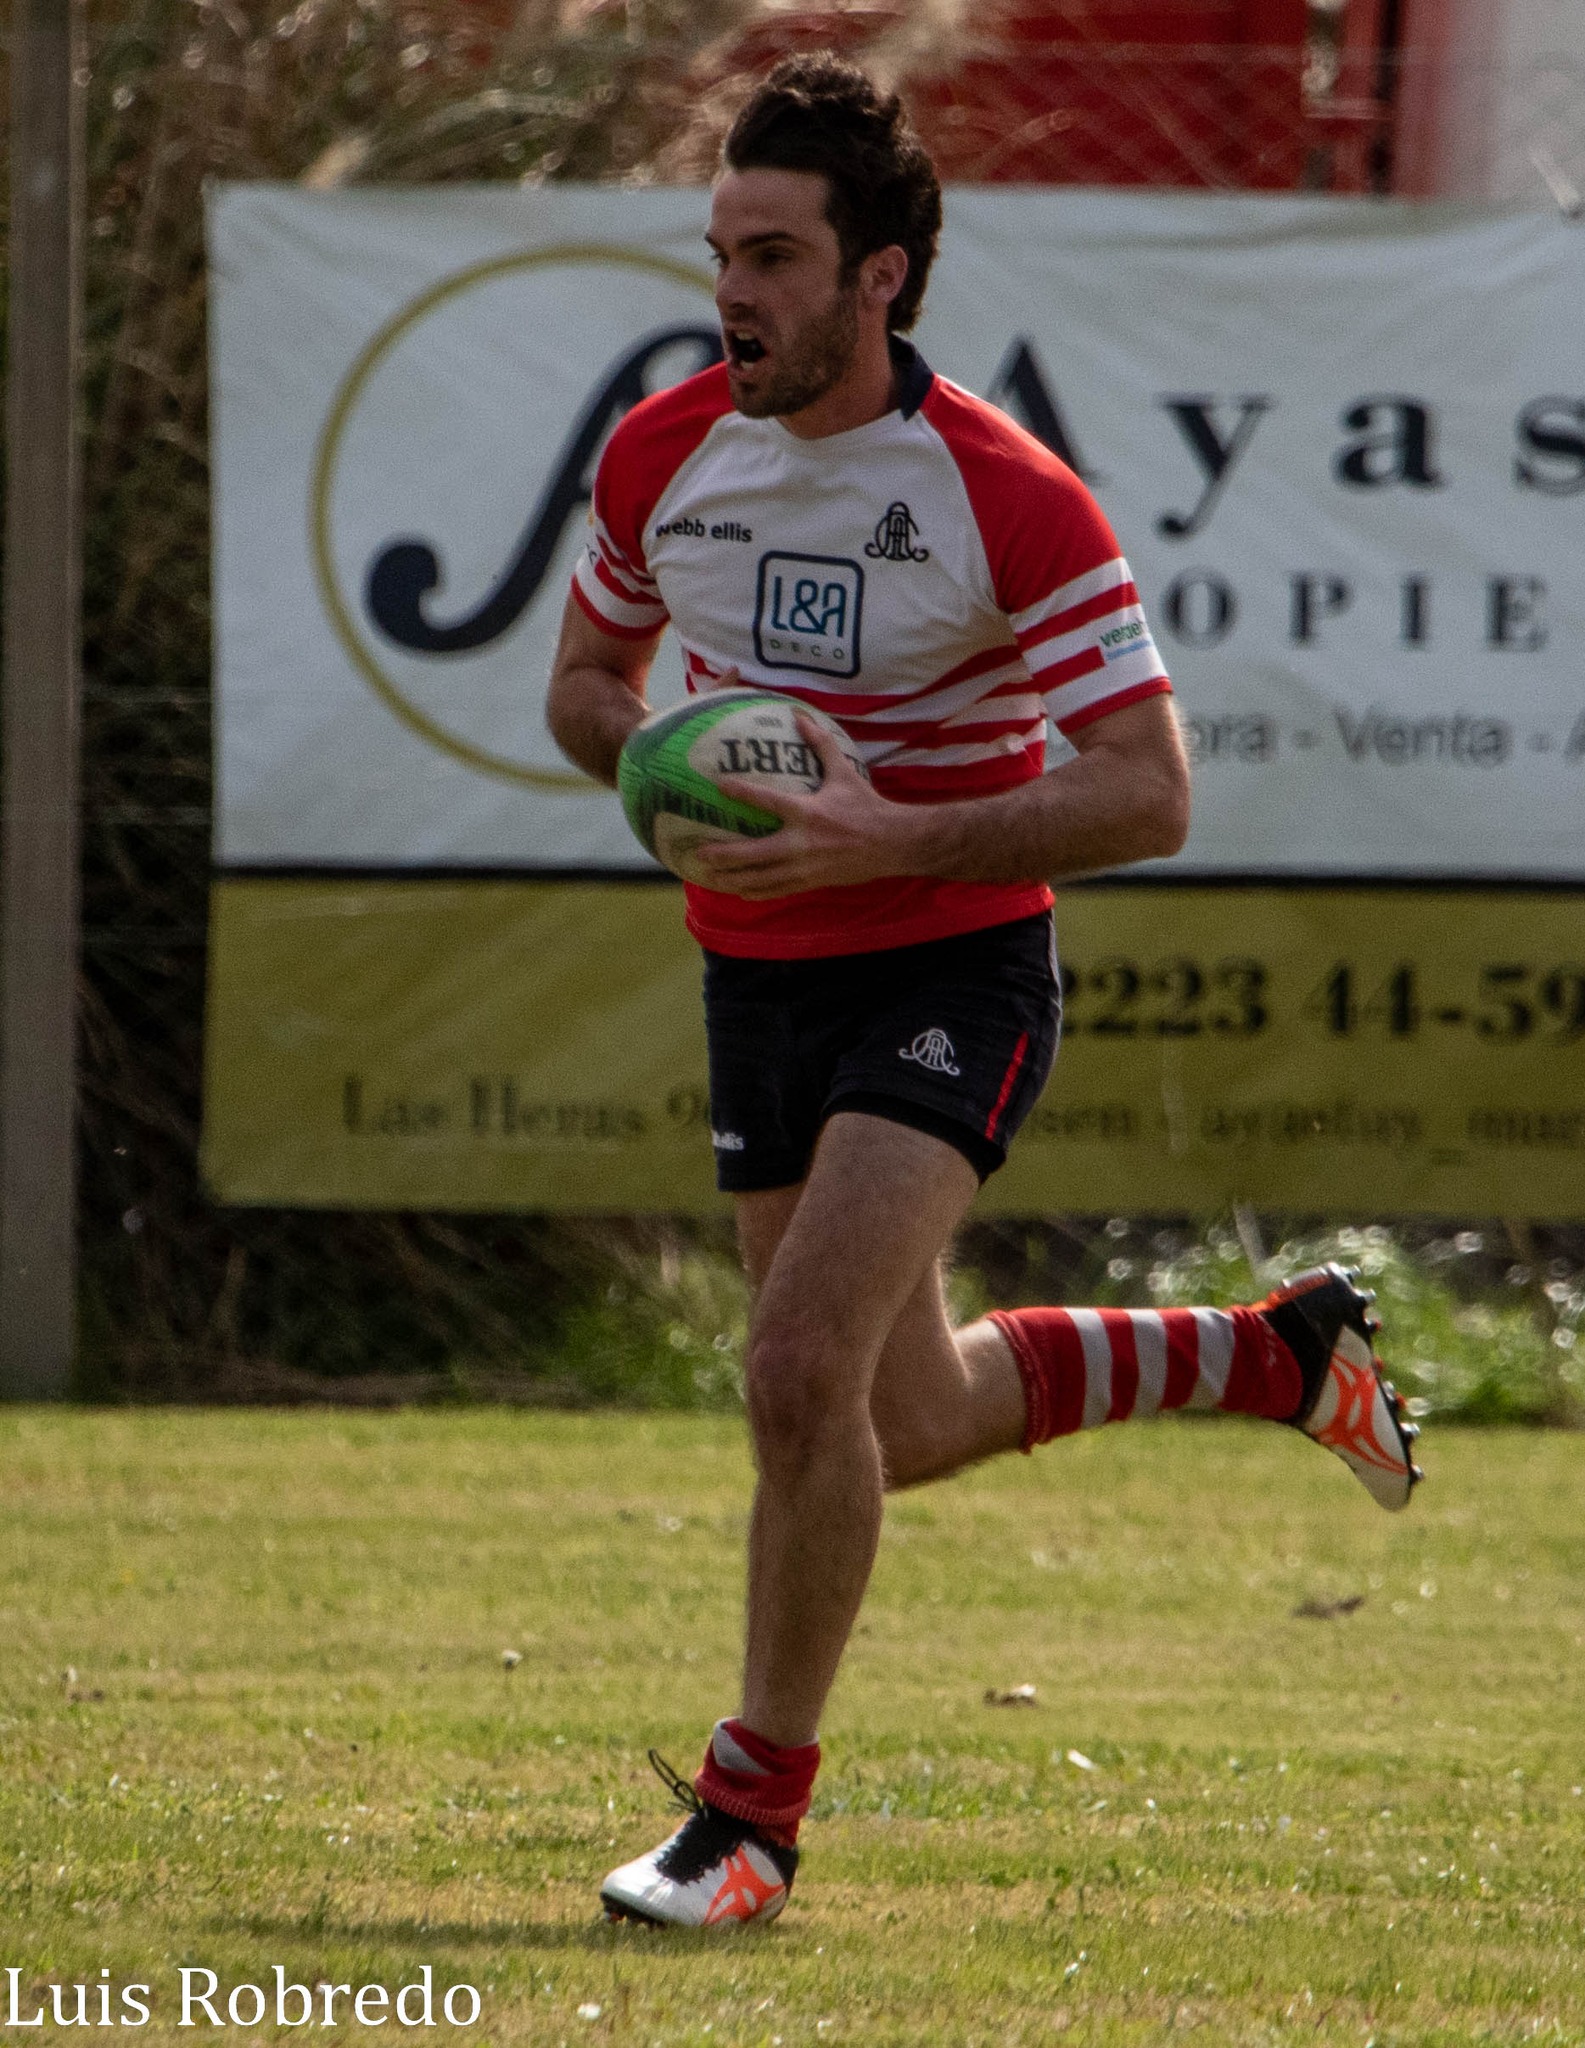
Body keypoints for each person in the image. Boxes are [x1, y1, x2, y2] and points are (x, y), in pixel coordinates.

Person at [545, 51, 1421, 1930]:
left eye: (775, 256)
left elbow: (1148, 792)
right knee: (902, 1416)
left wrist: (872, 839)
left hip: (952, 959)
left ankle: (749, 1828)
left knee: (792, 1371)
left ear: (881, 277)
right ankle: (1271, 1353)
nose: (734, 293)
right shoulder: (657, 451)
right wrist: (656, 763)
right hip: (753, 971)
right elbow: (583, 685)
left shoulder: (1005, 494)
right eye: (721, 250)